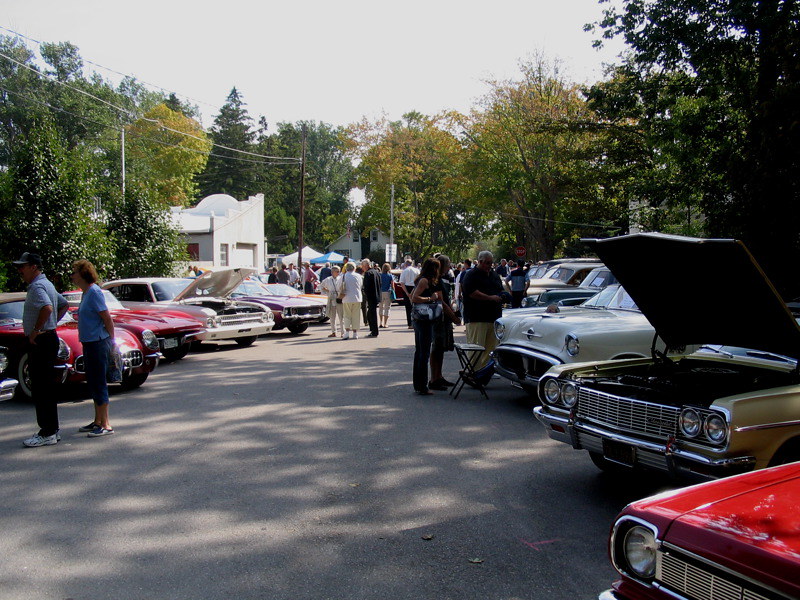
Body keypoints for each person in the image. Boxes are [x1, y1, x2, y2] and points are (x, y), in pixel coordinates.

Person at [15, 252, 69, 447]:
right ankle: (51, 430)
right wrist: (51, 324)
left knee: (40, 388)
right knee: (45, 386)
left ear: (34, 267)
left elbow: (47, 308)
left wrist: (37, 330)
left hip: (42, 340)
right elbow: (63, 305)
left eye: (23, 266)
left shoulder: (38, 286)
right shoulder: (47, 284)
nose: (20, 270)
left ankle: (47, 431)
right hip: (49, 337)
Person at [71, 259, 116, 437]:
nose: (72, 276)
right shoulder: (86, 292)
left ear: (83, 274)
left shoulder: (95, 292)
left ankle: (105, 424)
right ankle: (97, 421)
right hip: (89, 343)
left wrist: (112, 342)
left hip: (98, 343)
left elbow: (107, 318)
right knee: (93, 383)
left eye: (74, 272)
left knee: (99, 382)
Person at [461, 250, 506, 371]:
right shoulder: (471, 275)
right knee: (476, 347)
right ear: (480, 262)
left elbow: (499, 289)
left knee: (491, 348)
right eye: (487, 263)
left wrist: (503, 295)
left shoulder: (494, 274)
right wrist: (490, 298)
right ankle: (473, 371)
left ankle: (483, 371)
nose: (489, 266)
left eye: (491, 263)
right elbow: (471, 293)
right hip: (476, 317)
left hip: (493, 316)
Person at [409, 258, 442, 395]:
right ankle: (422, 386)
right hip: (423, 320)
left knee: (420, 352)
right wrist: (431, 298)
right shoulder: (424, 281)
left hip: (419, 320)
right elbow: (414, 297)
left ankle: (419, 384)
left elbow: (411, 295)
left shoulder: (420, 279)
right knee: (424, 353)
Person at [429, 255, 460, 390]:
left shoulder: (444, 279)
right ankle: (433, 379)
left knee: (441, 348)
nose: (449, 267)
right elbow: (440, 301)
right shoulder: (436, 280)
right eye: (448, 265)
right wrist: (454, 317)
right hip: (438, 318)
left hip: (445, 318)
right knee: (436, 348)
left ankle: (439, 376)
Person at [319, 265, 344, 338]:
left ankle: (343, 332)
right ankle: (334, 332)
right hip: (332, 299)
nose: (339, 273)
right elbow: (321, 286)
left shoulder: (340, 279)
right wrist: (328, 292)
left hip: (339, 299)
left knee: (341, 317)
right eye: (337, 271)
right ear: (333, 272)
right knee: (332, 317)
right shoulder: (328, 279)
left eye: (339, 271)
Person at [340, 262, 363, 340]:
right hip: (357, 297)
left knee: (347, 315)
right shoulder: (359, 276)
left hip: (346, 297)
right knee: (356, 315)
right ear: (354, 268)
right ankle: (355, 333)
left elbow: (338, 286)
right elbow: (360, 285)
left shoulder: (343, 276)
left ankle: (346, 332)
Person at [361, 259, 381, 337]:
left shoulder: (368, 273)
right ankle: (373, 330)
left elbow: (366, 287)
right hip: (377, 295)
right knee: (370, 314)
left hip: (371, 296)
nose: (362, 268)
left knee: (372, 314)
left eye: (363, 266)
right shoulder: (377, 272)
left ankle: (374, 331)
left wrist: (365, 294)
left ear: (366, 265)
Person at [398, 259, 419, 329]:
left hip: (407, 287)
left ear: (406, 264)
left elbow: (402, 283)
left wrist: (407, 292)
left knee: (408, 307)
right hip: (415, 287)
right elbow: (419, 281)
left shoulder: (404, 271)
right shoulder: (417, 270)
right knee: (416, 306)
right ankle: (416, 322)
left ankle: (410, 324)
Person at [379, 263, 393, 328]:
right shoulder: (390, 276)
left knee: (381, 307)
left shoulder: (380, 275)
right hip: (387, 291)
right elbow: (392, 285)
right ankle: (385, 323)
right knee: (387, 307)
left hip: (381, 292)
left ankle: (380, 322)